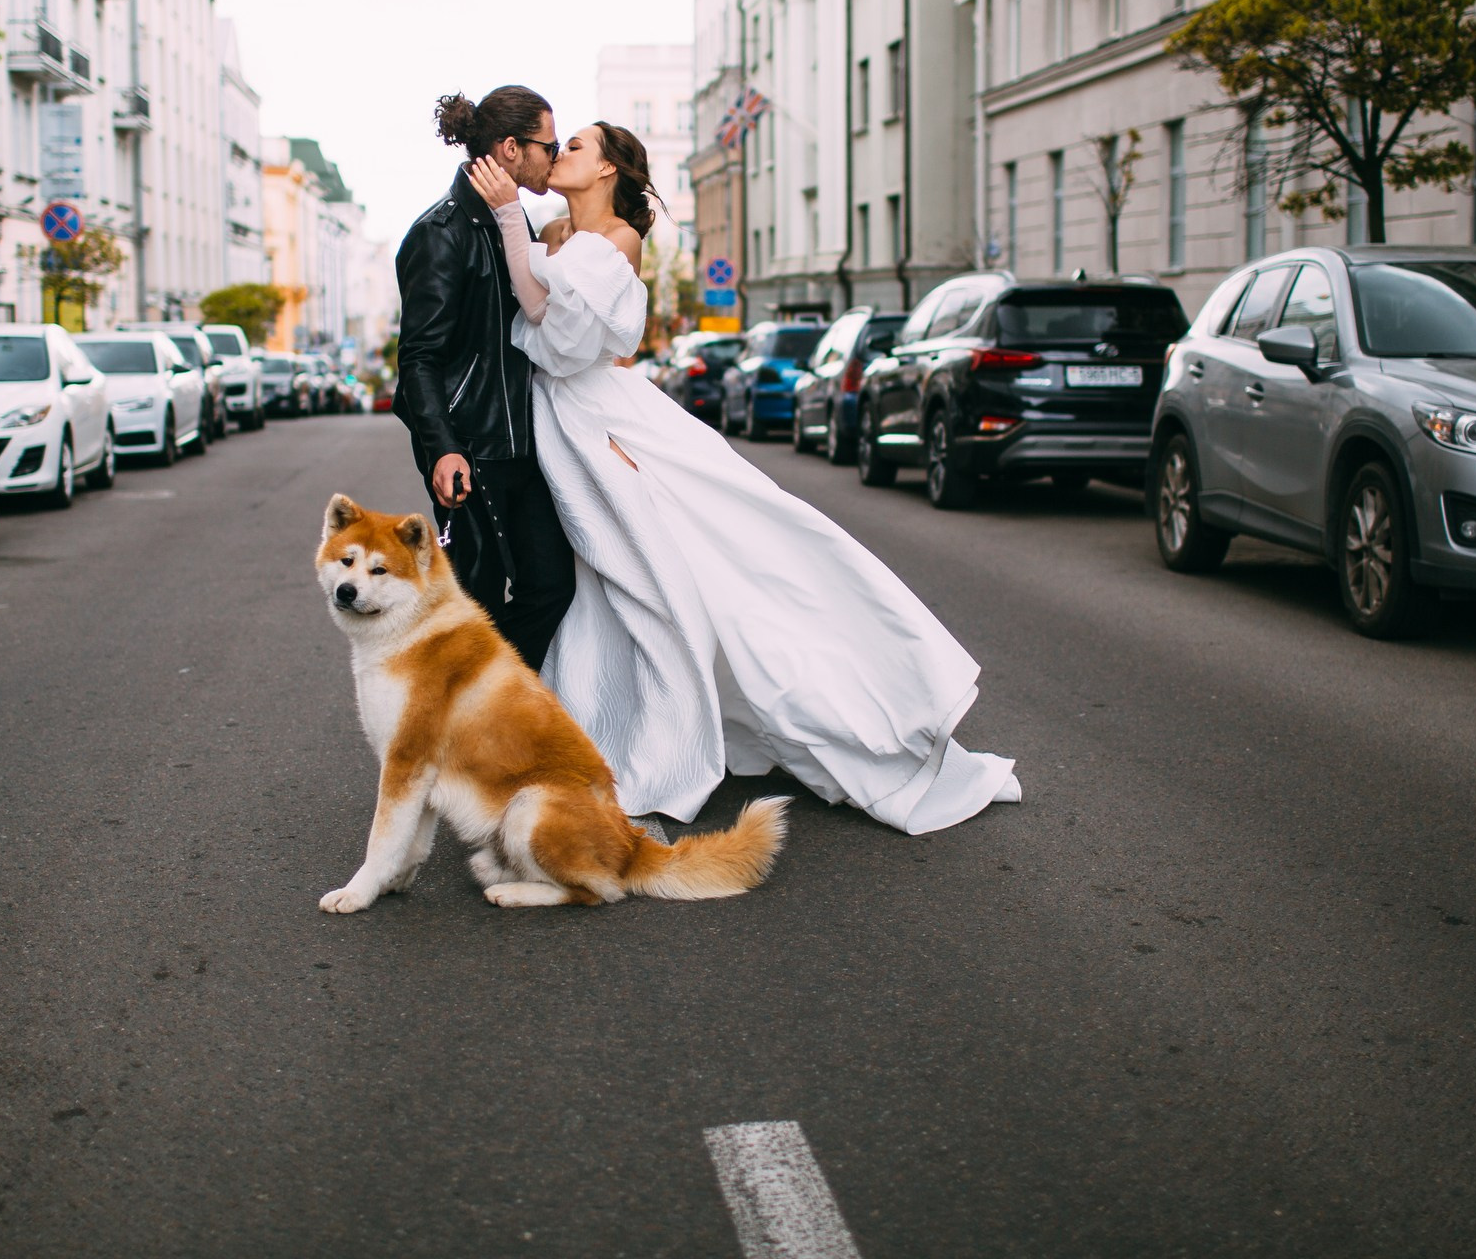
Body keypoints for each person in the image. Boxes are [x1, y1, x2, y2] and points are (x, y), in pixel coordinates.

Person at [465, 126, 1021, 836]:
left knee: (679, 576)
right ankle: (587, 733)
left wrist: (510, 216)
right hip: (566, 424)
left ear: (606, 166)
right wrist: (516, 211)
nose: (561, 151)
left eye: (574, 142)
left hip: (604, 426)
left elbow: (547, 318)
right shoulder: (555, 229)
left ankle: (679, 738)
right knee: (603, 589)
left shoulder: (617, 243)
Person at [390, 86, 579, 670]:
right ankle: (458, 729)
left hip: (525, 443)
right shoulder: (439, 234)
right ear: (510, 148)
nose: (554, 156)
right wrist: (443, 449)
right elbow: (418, 357)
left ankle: (487, 706)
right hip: (472, 449)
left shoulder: (510, 217)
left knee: (550, 586)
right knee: (476, 595)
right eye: (548, 145)